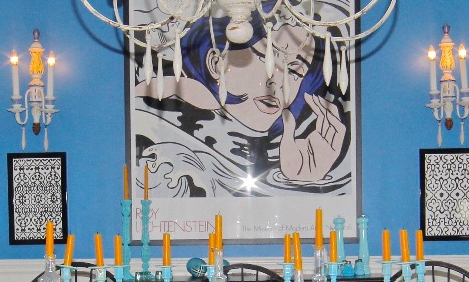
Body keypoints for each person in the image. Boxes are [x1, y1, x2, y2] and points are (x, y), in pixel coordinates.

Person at [133, 14, 351, 197]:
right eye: (265, 58)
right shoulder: (155, 116)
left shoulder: (292, 143)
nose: (276, 82)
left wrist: (303, 180)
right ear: (216, 62)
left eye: (294, 71)